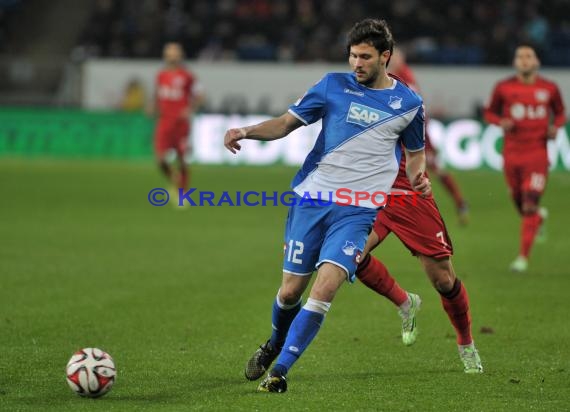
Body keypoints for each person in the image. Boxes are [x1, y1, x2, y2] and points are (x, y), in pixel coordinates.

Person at [224, 19, 430, 393]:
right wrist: (245, 131)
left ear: (385, 57)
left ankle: (281, 370)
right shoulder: (333, 85)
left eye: (365, 57)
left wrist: (418, 175)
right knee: (289, 292)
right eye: (352, 56)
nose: (357, 63)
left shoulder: (409, 104)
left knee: (326, 287)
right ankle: (274, 343)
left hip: (358, 211)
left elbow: (416, 154)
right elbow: (286, 124)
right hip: (313, 200)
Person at [354, 130, 483, 373]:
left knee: (444, 280)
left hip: (409, 196)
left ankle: (466, 343)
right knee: (352, 256)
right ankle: (404, 302)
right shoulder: (349, 94)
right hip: (372, 195)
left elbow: (418, 145)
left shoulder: (406, 98)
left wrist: (419, 173)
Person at [484, 45, 565, 272]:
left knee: (529, 205)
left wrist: (555, 127)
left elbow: (560, 113)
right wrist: (500, 122)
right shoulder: (504, 87)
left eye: (529, 56)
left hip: (537, 156)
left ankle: (522, 258)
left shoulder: (549, 88)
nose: (524, 60)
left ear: (537, 62)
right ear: (515, 62)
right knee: (521, 204)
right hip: (511, 155)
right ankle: (538, 217)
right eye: (520, 56)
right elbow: (489, 112)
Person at [389, 48, 469, 225]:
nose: (392, 60)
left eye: (395, 57)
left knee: (432, 168)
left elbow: (414, 107)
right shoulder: (395, 77)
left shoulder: (404, 77)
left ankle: (458, 202)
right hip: (408, 131)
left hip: (417, 132)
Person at [150, 42, 204, 194]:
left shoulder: (187, 76)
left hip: (181, 124)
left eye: (175, 52)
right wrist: (153, 106)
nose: (172, 56)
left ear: (180, 55)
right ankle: (175, 179)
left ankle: (183, 192)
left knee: (182, 159)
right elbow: (157, 94)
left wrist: (190, 109)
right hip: (164, 121)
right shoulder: (161, 75)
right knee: (160, 159)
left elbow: (200, 95)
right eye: (169, 53)